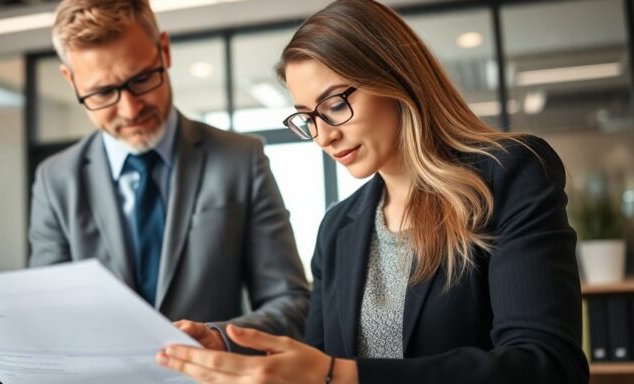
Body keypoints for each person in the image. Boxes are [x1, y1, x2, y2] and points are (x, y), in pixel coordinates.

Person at [156, 0, 589, 383]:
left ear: (394, 79)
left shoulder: (509, 175)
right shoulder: (337, 229)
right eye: (308, 117)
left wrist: (340, 375)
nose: (323, 137)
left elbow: (546, 365)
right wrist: (230, 350)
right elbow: (316, 363)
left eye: (334, 105)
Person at [0, 0, 310, 378]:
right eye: (102, 93)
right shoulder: (56, 180)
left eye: (142, 79)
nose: (130, 110)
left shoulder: (240, 159)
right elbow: (47, 318)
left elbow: (292, 303)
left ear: (164, 51)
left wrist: (220, 339)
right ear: (71, 80)